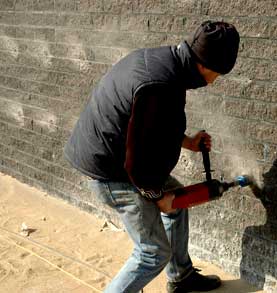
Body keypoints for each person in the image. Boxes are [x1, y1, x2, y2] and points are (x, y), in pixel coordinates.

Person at [63, 21, 240, 293]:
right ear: (206, 64)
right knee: (153, 253)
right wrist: (158, 196)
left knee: (178, 199)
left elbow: (149, 125)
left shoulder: (164, 63)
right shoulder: (161, 85)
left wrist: (187, 142)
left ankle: (181, 277)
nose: (216, 80)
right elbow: (137, 163)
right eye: (219, 73)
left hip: (112, 153)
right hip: (112, 171)